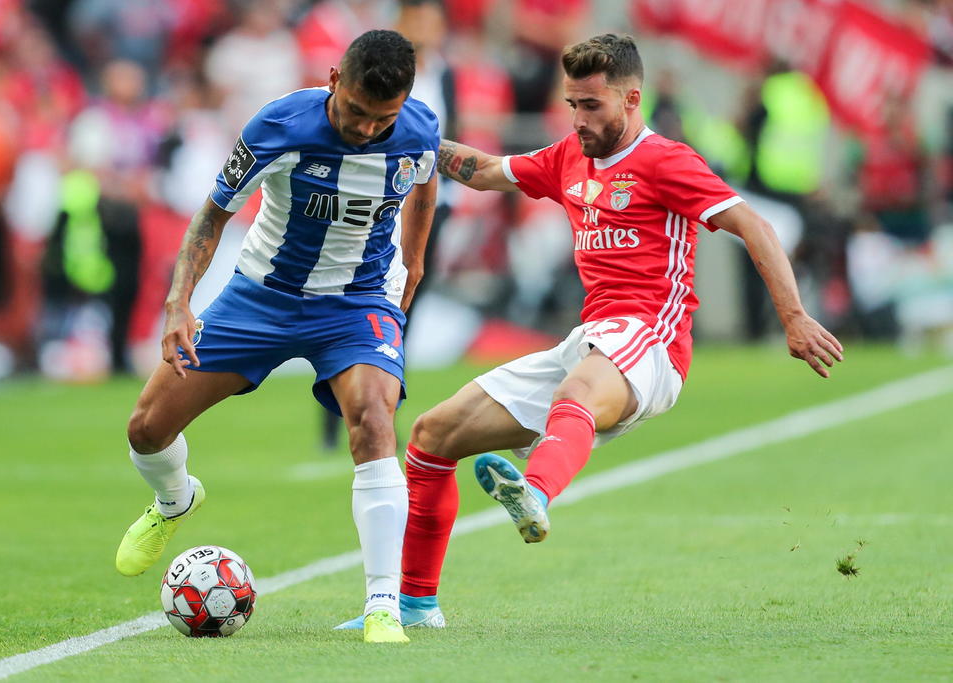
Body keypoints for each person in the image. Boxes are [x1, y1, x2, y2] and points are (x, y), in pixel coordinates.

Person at [337, 33, 843, 630]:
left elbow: (753, 225)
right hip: (591, 338)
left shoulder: (667, 161)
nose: (579, 119)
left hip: (652, 339)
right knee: (431, 435)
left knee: (574, 393)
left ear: (632, 99)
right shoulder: (567, 157)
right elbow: (483, 171)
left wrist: (793, 316)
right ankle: (418, 605)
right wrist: (406, 132)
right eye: (573, 104)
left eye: (592, 105)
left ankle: (535, 493)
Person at [114, 30, 440, 645]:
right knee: (147, 430)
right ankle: (176, 499)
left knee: (374, 421)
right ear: (334, 80)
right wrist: (179, 302)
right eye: (356, 112)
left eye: (383, 119)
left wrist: (416, 258)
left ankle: (383, 605)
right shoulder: (280, 125)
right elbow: (213, 214)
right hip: (260, 298)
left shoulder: (419, 129)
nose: (367, 129)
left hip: (356, 303)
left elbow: (425, 182)